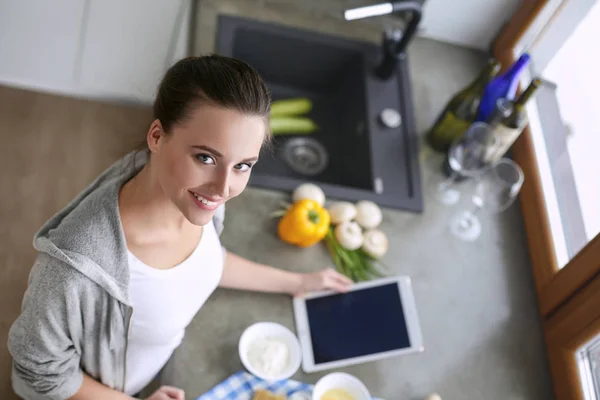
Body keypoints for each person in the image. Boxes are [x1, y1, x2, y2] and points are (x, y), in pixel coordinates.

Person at [7, 55, 352, 400]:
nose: (223, 188)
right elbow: (40, 373)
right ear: (157, 136)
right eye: (206, 158)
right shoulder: (74, 269)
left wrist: (297, 282)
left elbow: (207, 262)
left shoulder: (189, 200)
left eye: (243, 165)